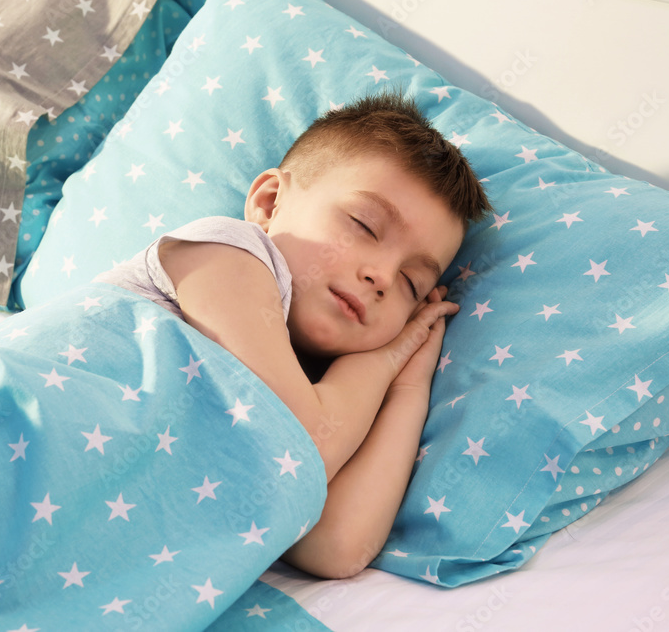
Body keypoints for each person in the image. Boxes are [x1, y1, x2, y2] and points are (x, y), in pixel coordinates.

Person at [94, 90, 492, 579]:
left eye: (414, 284)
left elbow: (336, 546)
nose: (383, 277)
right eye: (364, 226)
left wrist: (408, 385)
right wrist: (382, 361)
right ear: (270, 202)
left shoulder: (323, 392)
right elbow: (296, 450)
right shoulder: (226, 253)